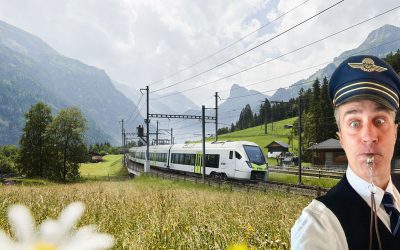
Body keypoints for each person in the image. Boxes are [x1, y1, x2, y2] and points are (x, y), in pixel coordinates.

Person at [291, 55, 400, 249]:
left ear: (395, 133)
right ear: (341, 138)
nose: (369, 136)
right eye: (354, 123)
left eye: (380, 121)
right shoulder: (319, 227)